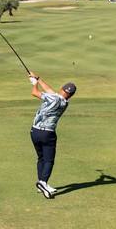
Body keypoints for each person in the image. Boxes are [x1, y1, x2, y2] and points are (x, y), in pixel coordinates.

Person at [27, 71, 76, 199]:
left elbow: (34, 93)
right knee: (49, 160)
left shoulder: (54, 97)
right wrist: (38, 78)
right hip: (48, 134)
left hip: (35, 131)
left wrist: (34, 83)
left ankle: (42, 183)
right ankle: (43, 182)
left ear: (62, 89)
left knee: (41, 158)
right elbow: (50, 92)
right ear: (71, 95)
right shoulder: (65, 103)